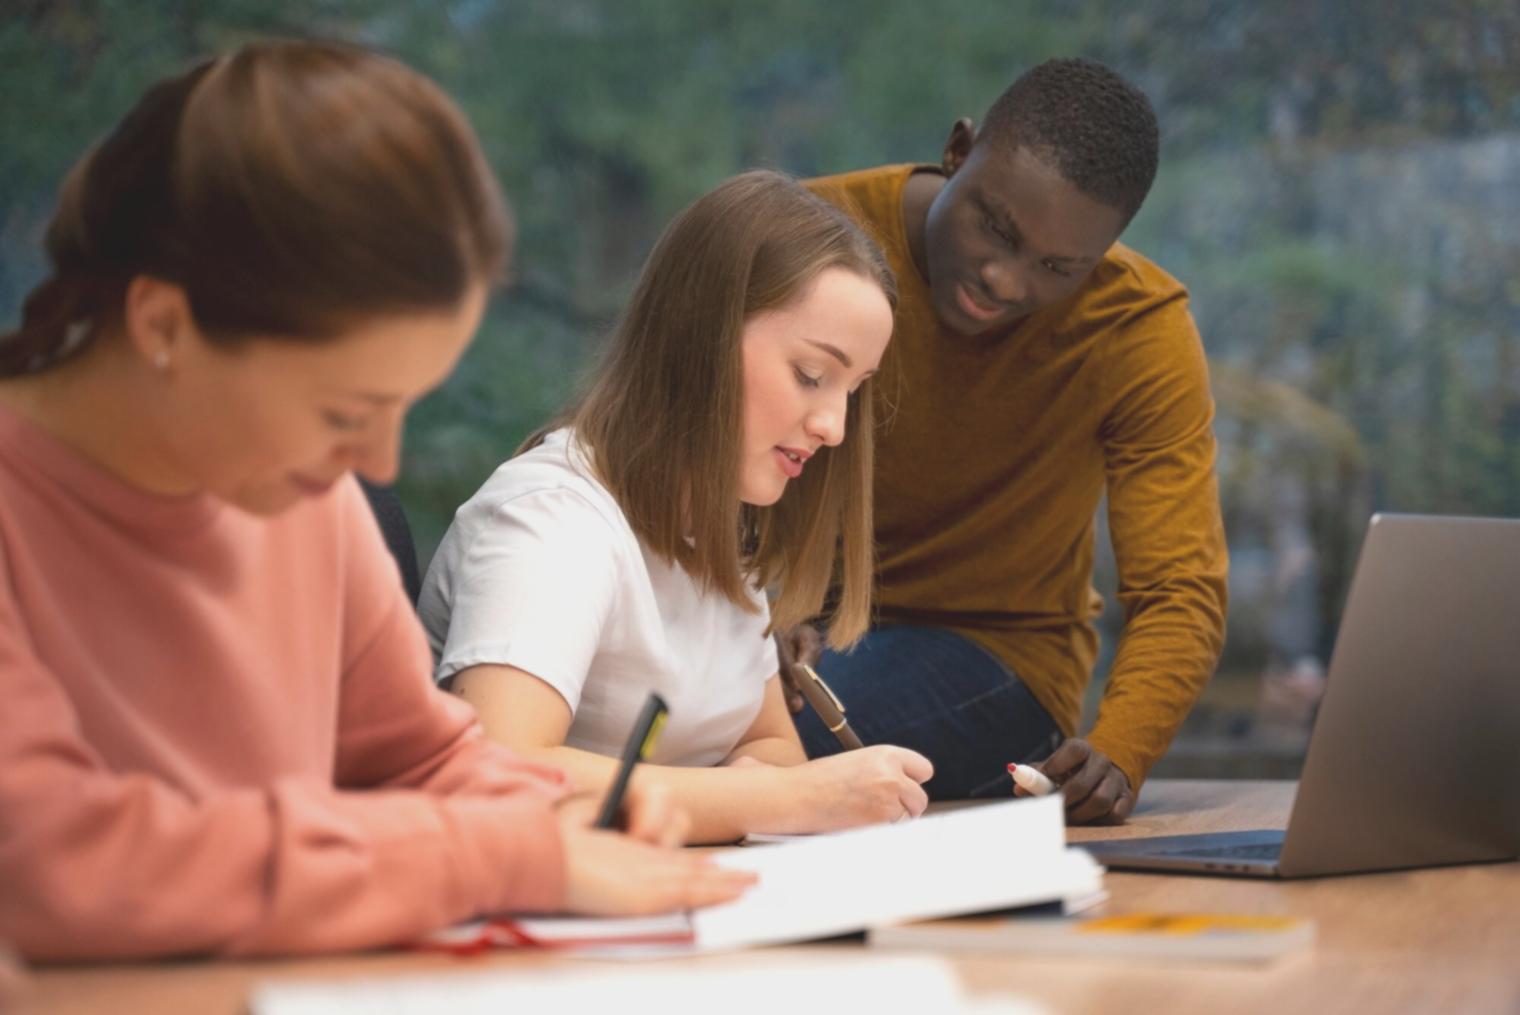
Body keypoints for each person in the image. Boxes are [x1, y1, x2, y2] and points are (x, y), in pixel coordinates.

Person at [0, 39, 751, 962]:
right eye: (345, 410)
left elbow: (423, 764)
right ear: (163, 325)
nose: (376, 459)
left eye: (402, 407)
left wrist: (564, 813)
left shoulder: (306, 498)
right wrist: (496, 854)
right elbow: (51, 863)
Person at [419, 170, 934, 844]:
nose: (834, 427)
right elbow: (503, 773)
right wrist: (776, 799)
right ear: (702, 336)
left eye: (853, 390)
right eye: (812, 375)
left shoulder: (723, 525)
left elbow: (772, 747)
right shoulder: (552, 519)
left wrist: (772, 789)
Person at [793, 58, 1229, 824]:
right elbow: (680, 444)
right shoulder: (808, 239)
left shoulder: (1137, 332)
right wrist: (750, 605)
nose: (1005, 279)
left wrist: (1123, 745)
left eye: (1060, 268)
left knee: (767, 738)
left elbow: (1178, 588)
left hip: (996, 656)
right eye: (996, 226)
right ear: (959, 150)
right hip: (785, 621)